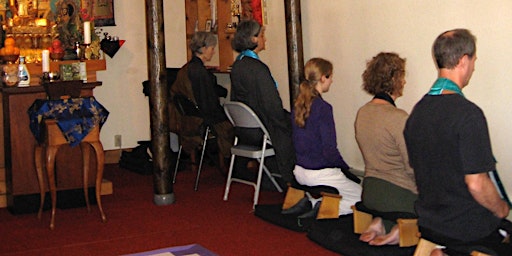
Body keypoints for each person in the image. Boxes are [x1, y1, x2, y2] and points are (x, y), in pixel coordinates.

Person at [404, 29, 510, 255]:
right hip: (466, 228)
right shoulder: (469, 115)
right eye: (474, 61)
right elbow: (477, 183)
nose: (474, 67)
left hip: (430, 222)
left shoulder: (417, 113)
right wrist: (502, 208)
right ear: (464, 60)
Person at [354, 52, 418, 246]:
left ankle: (380, 221)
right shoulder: (399, 118)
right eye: (402, 76)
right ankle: (398, 229)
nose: (405, 82)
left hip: (370, 191)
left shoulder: (363, 112)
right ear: (394, 79)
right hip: (398, 196)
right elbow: (412, 167)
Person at [287, 58, 361, 218]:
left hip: (300, 171)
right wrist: (345, 169)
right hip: (320, 173)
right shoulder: (324, 108)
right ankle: (320, 206)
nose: (332, 80)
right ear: (323, 78)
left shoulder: (297, 106)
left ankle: (310, 203)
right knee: (363, 199)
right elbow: (329, 149)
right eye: (330, 76)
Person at [230, 19, 295, 184]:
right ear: (253, 39)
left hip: (245, 130)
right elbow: (272, 104)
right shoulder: (258, 68)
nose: (264, 39)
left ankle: (270, 177)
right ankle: (293, 179)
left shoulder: (238, 65)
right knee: (298, 124)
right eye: (262, 35)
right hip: (262, 128)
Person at [171, 31, 234, 169]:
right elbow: (209, 104)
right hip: (200, 120)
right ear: (204, 49)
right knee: (234, 125)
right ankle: (233, 165)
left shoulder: (186, 69)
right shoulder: (199, 72)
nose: (213, 52)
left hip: (188, 118)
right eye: (212, 48)